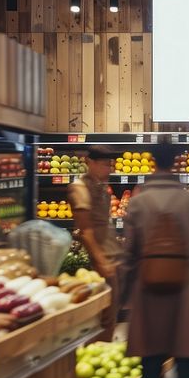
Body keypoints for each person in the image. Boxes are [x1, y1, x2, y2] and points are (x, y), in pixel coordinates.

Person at [122, 137, 189, 378]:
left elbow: (129, 255)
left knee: (150, 370)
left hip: (148, 293)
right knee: (188, 374)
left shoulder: (137, 203)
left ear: (152, 162)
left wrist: (123, 295)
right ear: (175, 162)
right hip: (187, 293)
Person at [68, 145, 122, 342]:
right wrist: (101, 261)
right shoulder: (79, 189)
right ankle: (100, 346)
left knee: (111, 310)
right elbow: (86, 231)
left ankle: (104, 344)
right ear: (89, 162)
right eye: (104, 164)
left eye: (110, 165)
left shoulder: (100, 186)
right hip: (97, 261)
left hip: (110, 256)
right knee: (103, 313)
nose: (108, 169)